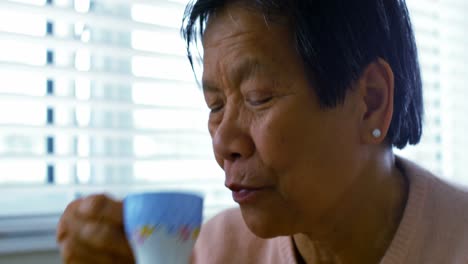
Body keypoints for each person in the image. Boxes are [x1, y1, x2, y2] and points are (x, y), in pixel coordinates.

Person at [56, 0, 468, 263]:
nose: (222, 143)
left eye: (258, 96)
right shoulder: (210, 253)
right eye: (216, 105)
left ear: (372, 101)